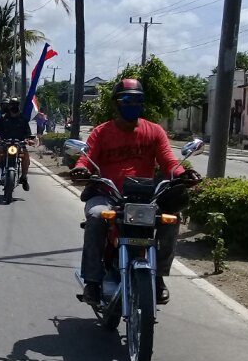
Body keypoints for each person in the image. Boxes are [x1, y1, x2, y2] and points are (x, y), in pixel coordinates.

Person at [69, 79, 200, 306]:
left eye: (138, 100)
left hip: (145, 197)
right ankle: (92, 281)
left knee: (171, 220)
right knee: (96, 217)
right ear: (116, 104)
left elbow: (169, 160)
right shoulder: (102, 132)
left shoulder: (154, 131)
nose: (133, 104)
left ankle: (158, 278)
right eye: (127, 100)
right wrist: (80, 170)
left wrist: (181, 174)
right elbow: (85, 159)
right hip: (108, 194)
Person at [0, 97, 35, 190]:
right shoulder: (3, 118)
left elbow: (28, 132)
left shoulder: (23, 118)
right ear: (9, 106)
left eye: (16, 104)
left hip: (19, 144)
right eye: (13, 104)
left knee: (26, 156)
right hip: (5, 143)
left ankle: (24, 177)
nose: (14, 106)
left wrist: (29, 139)